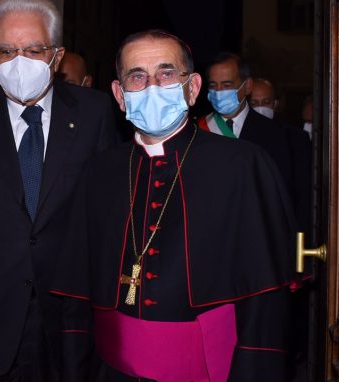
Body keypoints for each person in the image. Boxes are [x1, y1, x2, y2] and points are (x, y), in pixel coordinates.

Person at [51, 30, 296, 381]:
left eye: (166, 74)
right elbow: (76, 299)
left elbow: (265, 306)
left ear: (193, 88)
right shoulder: (99, 171)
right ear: (119, 95)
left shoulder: (244, 166)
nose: (152, 86)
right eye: (137, 76)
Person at [0, 0, 116, 380]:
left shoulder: (95, 114)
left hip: (72, 328)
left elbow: (108, 221)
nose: (19, 62)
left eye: (33, 50)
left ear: (56, 56)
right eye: (8, 51)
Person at [198, 52, 311, 234]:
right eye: (213, 86)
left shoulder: (280, 136)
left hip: (260, 238)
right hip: (210, 236)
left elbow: (294, 200)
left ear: (247, 86)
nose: (219, 92)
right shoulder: (197, 131)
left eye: (227, 85)